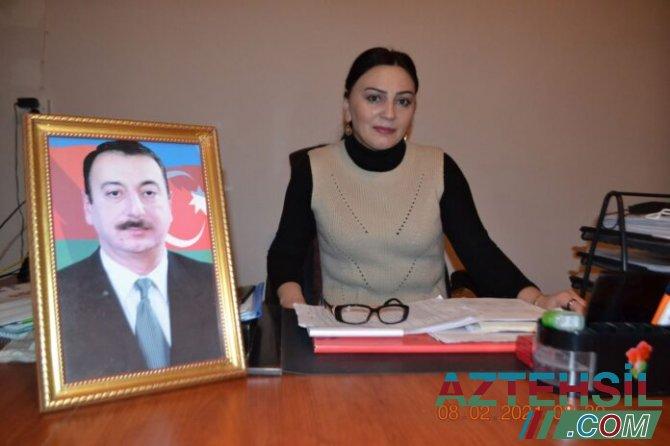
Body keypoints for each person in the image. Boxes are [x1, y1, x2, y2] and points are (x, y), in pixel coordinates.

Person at [267, 47, 586, 314]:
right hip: (346, 333)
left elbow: (480, 253)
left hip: (431, 334)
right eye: (374, 98)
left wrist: (539, 300)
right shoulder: (313, 169)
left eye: (403, 101)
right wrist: (295, 309)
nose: (389, 113)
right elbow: (285, 256)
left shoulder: (439, 167)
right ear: (347, 107)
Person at [57, 140, 223, 383]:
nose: (136, 210)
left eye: (148, 193)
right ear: (88, 207)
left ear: (169, 203)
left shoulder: (214, 281)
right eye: (114, 193)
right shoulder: (59, 292)